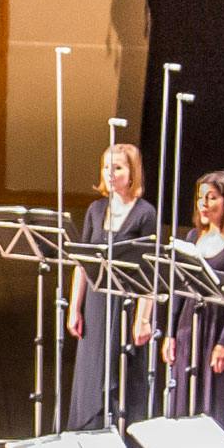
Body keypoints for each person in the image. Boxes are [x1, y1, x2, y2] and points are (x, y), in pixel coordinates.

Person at [62, 141, 156, 430]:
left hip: (125, 305)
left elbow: (150, 273)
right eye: (106, 167)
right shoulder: (95, 209)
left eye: (118, 167)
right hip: (96, 303)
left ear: (132, 172)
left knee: (118, 372)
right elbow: (82, 263)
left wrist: (143, 318)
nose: (110, 173)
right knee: (91, 374)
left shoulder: (145, 213)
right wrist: (74, 308)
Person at [158, 170, 224, 422]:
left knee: (215, 403)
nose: (204, 204)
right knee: (184, 398)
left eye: (212, 197)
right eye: (201, 198)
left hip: (218, 326)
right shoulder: (192, 237)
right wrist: (170, 333)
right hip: (190, 325)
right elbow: (179, 289)